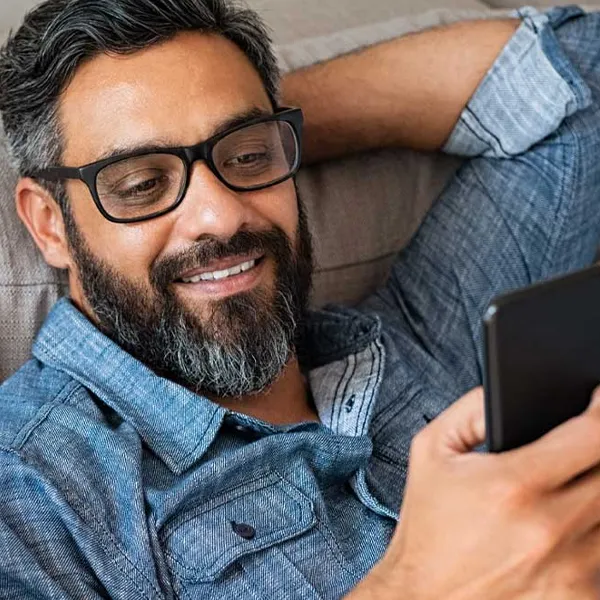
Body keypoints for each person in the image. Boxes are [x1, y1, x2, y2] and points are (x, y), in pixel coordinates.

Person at [0, 0, 600, 598]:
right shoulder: (29, 493)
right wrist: (414, 586)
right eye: (141, 183)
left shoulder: (420, 334)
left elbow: (582, 75)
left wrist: (263, 129)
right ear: (50, 223)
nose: (220, 215)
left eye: (248, 157)